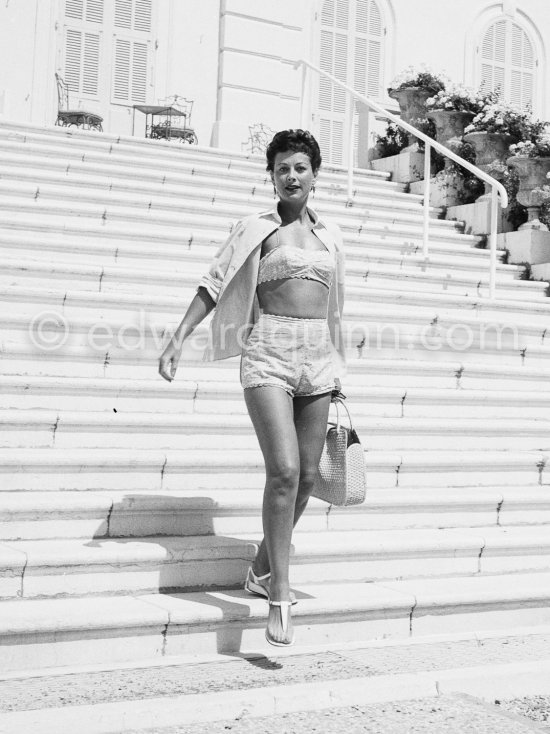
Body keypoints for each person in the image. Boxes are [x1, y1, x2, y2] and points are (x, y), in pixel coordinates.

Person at [159, 129, 346, 646]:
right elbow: (214, 283)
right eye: (282, 168)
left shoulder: (330, 236)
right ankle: (280, 593)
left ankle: (263, 566)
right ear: (271, 176)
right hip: (268, 349)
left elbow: (335, 307)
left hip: (319, 358)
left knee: (308, 476)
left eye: (301, 167)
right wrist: (178, 339)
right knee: (283, 470)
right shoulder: (255, 229)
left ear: (315, 174)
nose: (292, 176)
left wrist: (337, 366)